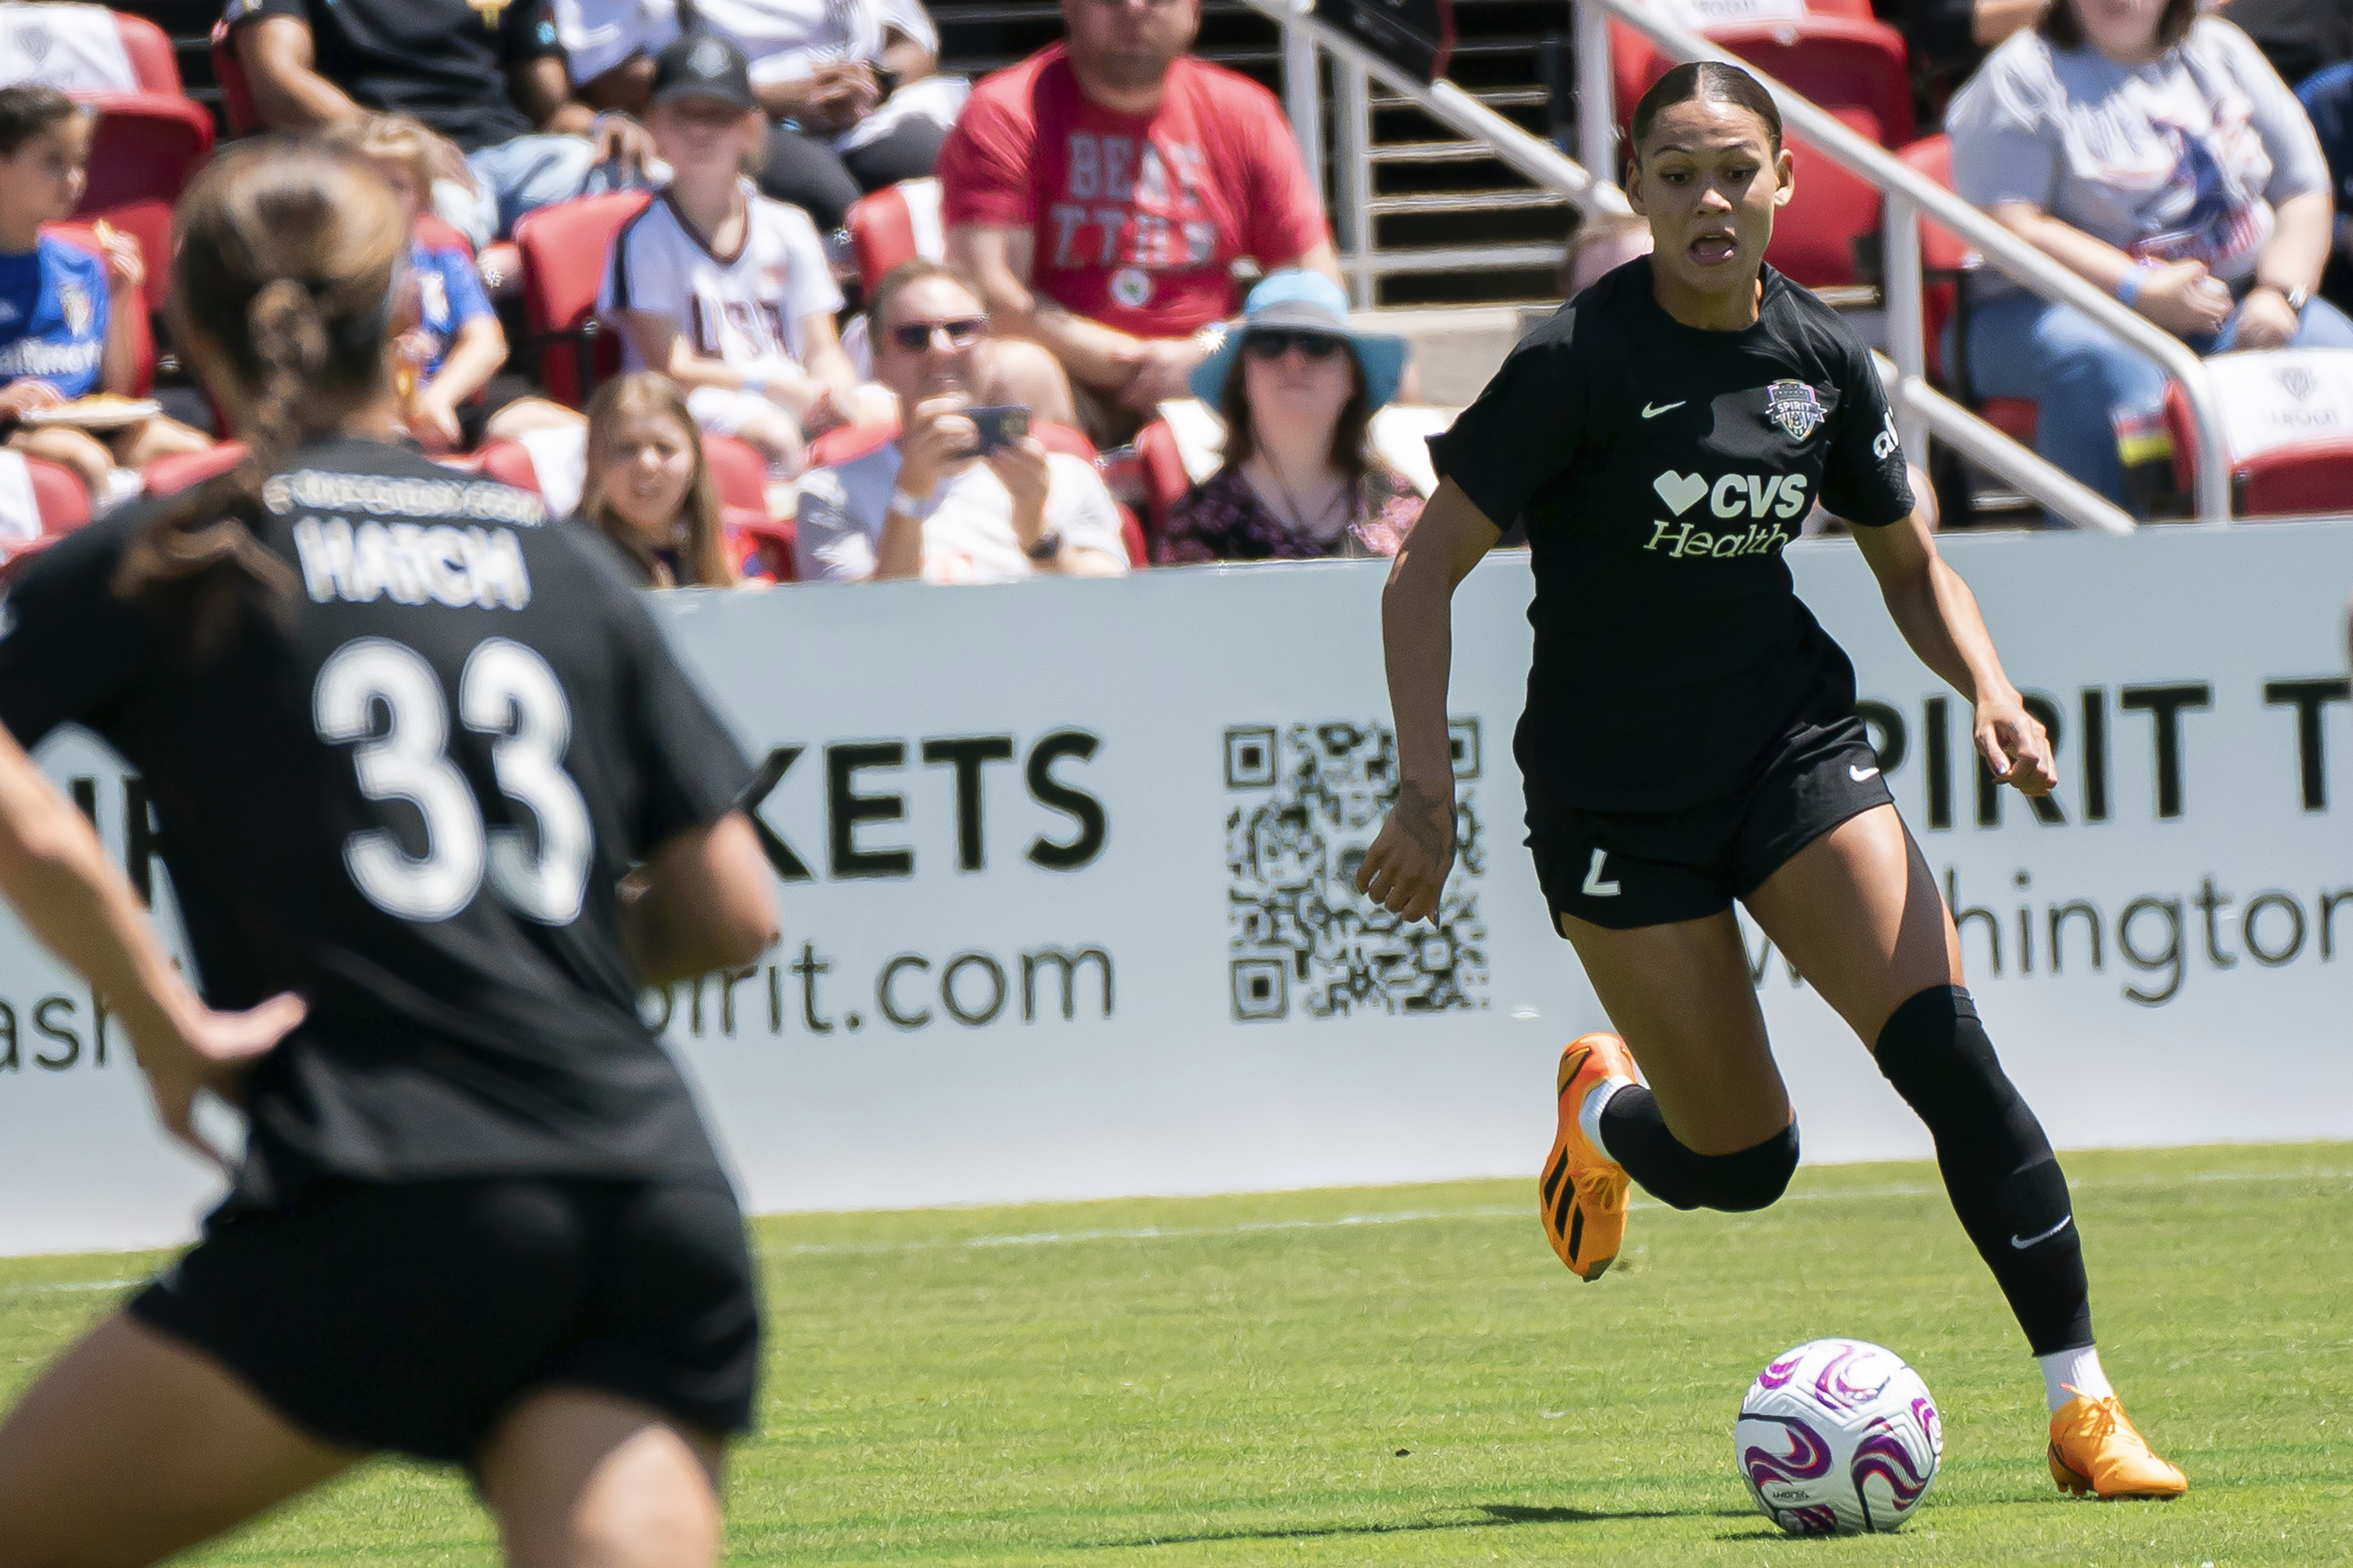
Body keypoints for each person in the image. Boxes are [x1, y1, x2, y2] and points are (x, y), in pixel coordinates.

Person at [1355, 61, 2187, 1503]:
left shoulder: (1823, 360)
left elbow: (1908, 561)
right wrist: (1425, 794)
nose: (1708, 201)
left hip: (1788, 751)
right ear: (1634, 193)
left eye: (1735, 170)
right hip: (1615, 801)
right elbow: (1422, 573)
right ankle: (1604, 1117)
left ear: (1786, 181)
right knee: (1744, 1165)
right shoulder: (1574, 361)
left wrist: (1987, 686)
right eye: (1674, 175)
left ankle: (2083, 1404)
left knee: (1951, 1056)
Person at [0, 137, 781, 1564]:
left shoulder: (186, 551)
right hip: (648, 1195)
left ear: (186, 335)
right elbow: (733, 909)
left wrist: (155, 1014)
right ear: (407, 319)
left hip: (396, 1186)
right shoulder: (566, 561)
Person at [1947, 0, 2353, 514]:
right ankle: (2112, 568)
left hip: (2233, 304)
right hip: (2049, 313)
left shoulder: (2222, 49)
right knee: (2109, 367)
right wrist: (2137, 288)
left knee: (2333, 354)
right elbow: (2009, 225)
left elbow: (2304, 189)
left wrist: (2282, 296)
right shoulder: (2022, 73)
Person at [936, 0, 1342, 447]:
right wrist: (1139, 366)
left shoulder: (1246, 110)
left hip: (1212, 365)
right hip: (1069, 377)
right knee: (1014, 372)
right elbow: (991, 293)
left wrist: (1206, 355)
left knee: (1386, 376)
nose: (1132, 8)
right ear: (1069, 6)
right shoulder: (1007, 110)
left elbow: (1316, 286)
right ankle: (1058, 515)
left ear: (1194, 10)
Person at [601, 32, 874, 472]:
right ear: (654, 125)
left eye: (720, 115)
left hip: (790, 391)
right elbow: (672, 368)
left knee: (882, 411)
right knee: (774, 436)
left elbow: (821, 346)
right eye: (683, 115)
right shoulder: (641, 236)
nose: (701, 130)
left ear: (751, 127)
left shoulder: (790, 225)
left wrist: (834, 389)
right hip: (683, 405)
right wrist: (771, 386)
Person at [795, 259, 1130, 582]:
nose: (941, 349)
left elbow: (1115, 608)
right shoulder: (831, 494)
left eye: (961, 330)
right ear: (878, 360)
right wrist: (909, 499)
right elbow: (866, 628)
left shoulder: (1067, 477)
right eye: (913, 337)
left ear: (990, 347)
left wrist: (1038, 534)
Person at [225, 0, 656, 249]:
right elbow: (278, 83)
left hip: (509, 154)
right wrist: (404, 144)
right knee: (443, 204)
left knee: (639, 178)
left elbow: (552, 108)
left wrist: (605, 124)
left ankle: (632, 388)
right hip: (379, 157)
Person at [324, 114, 582, 452]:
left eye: (397, 187)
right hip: (369, 416)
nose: (381, 199)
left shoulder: (439, 251)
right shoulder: (328, 269)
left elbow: (487, 342)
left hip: (449, 400)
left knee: (565, 433)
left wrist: (438, 398)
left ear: (421, 200)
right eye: (366, 184)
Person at [0, 85, 209, 499]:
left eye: (79, 162)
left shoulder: (83, 262)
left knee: (196, 455)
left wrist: (121, 295)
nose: (74, 179)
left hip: (90, 423)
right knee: (86, 463)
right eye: (53, 163)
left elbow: (121, 387)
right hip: (14, 430)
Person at [1157, 269, 1418, 563]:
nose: (1293, 359)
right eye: (1270, 342)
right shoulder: (1196, 523)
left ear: (1353, 380)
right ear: (1241, 379)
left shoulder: (1409, 512)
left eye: (1317, 342)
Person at [576, 371, 742, 586]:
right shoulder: (573, 563)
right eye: (626, 449)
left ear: (695, 461)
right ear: (594, 461)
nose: (647, 464)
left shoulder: (734, 552)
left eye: (665, 448)